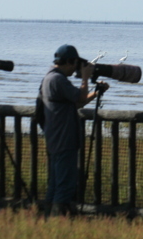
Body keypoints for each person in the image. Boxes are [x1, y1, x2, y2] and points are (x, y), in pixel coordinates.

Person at [37, 43, 108, 216]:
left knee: (55, 184)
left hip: (55, 138)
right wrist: (85, 77)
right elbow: (80, 96)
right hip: (64, 140)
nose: (76, 69)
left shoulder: (49, 78)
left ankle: (48, 219)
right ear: (68, 62)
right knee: (65, 185)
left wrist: (96, 93)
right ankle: (58, 221)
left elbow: (78, 101)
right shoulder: (58, 79)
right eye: (75, 64)